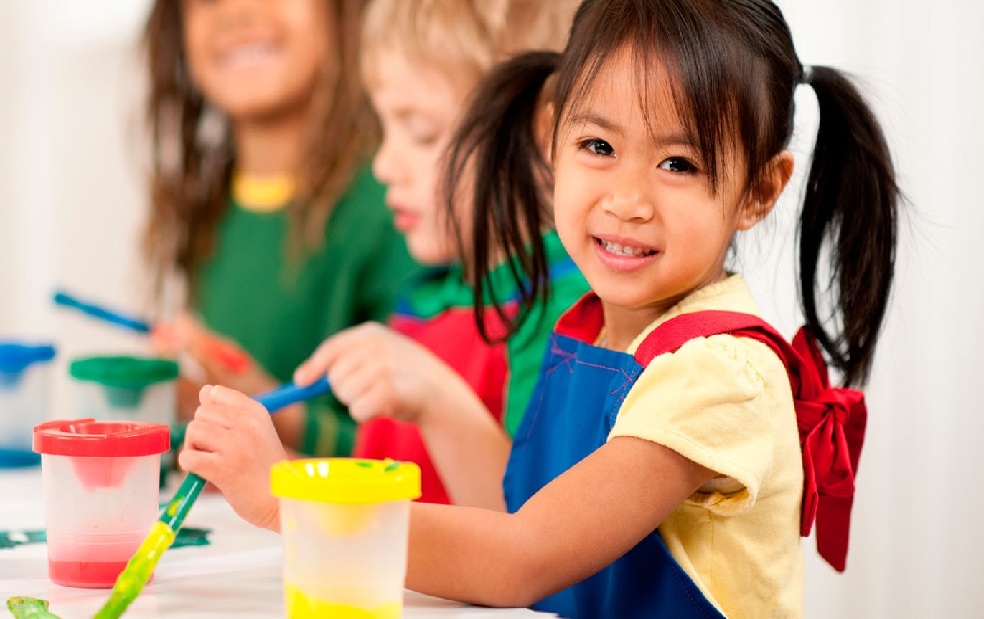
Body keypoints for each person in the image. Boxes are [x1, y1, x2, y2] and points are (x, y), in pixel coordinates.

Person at [180, 0, 899, 616]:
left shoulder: (718, 374)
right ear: (553, 140)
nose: (627, 199)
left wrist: (287, 502)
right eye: (598, 145)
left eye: (678, 163)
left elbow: (522, 555)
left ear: (760, 190)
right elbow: (508, 516)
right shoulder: (587, 329)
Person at [292, 0, 587, 508]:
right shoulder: (425, 298)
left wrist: (433, 397)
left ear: (544, 140)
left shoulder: (568, 312)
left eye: (422, 134)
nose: (384, 165)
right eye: (382, 129)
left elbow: (536, 533)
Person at [139, 0, 418, 458]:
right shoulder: (205, 208)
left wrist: (274, 416)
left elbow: (424, 466)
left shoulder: (401, 205)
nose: (237, 13)